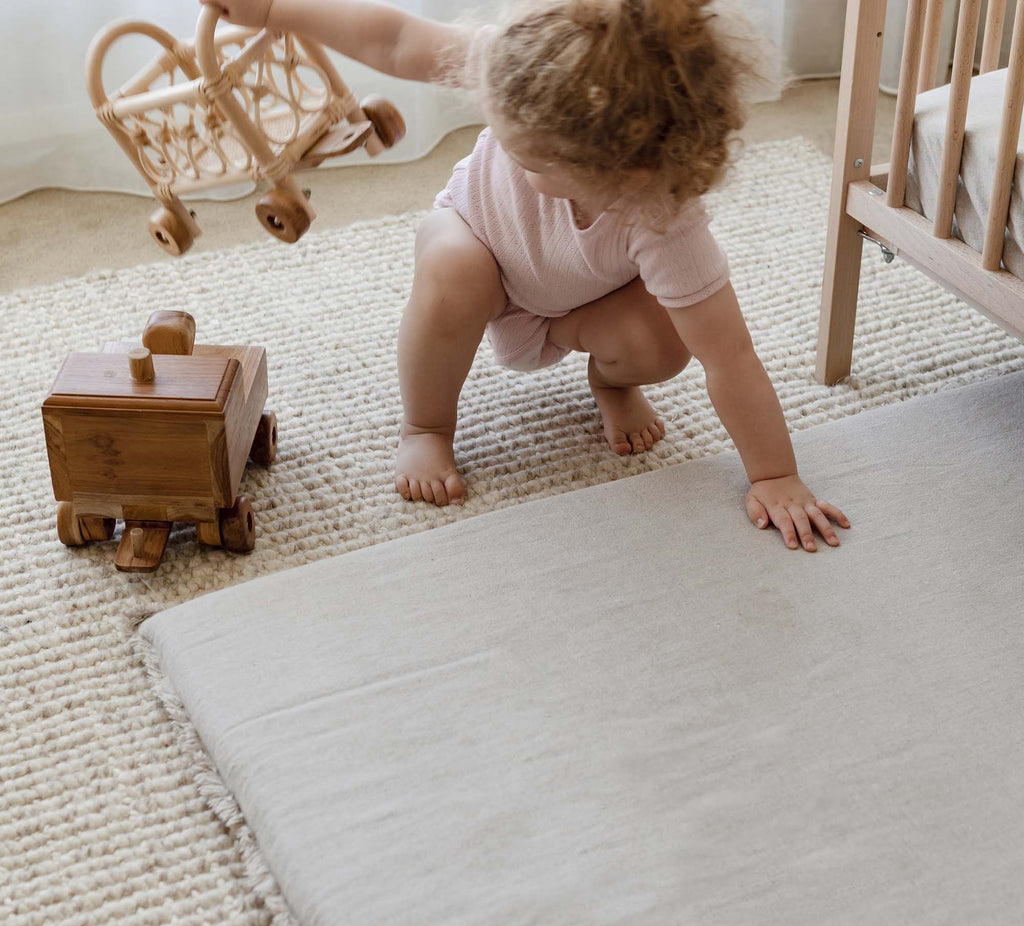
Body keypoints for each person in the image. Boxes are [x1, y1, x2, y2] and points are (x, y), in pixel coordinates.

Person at [203, 0, 850, 552]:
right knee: (452, 266)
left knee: (666, 342)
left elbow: (730, 357)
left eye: (525, 153)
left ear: (625, 175)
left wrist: (774, 476)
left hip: (586, 302)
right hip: (481, 244)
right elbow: (392, 37)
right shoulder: (525, 67)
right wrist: (269, 10)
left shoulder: (665, 219)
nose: (501, 141)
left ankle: (610, 382)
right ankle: (425, 426)